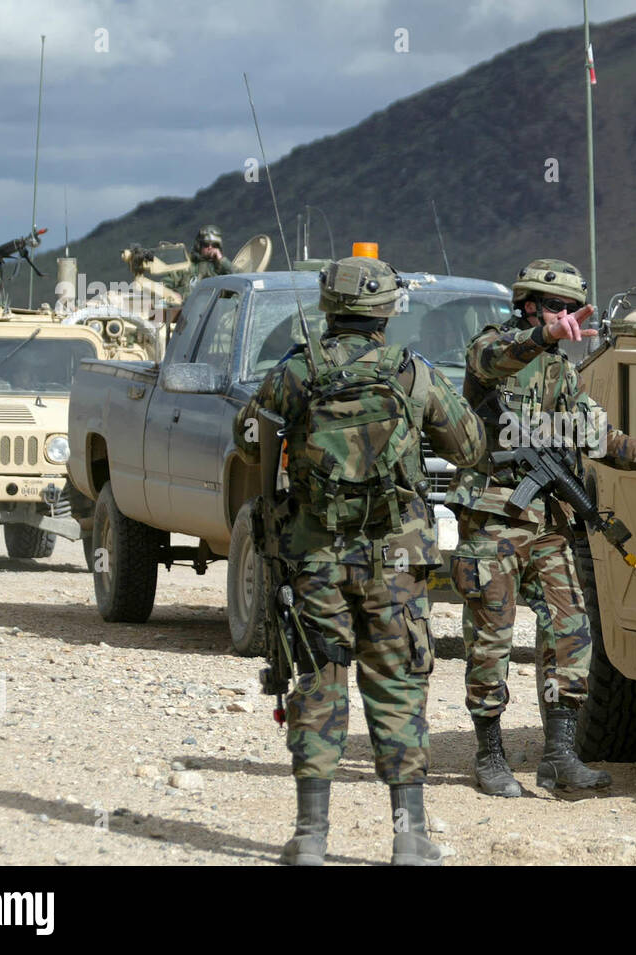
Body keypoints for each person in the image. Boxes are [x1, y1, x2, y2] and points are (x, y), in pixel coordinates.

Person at [233, 255, 483, 866]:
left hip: (314, 557)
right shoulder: (412, 373)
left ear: (328, 306)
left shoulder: (295, 372)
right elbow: (470, 446)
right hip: (397, 557)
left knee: (317, 682)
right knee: (397, 682)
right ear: (387, 312)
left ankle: (310, 837)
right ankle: (409, 836)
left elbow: (246, 441)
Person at [446, 258, 636, 798]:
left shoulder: (561, 374)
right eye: (552, 307)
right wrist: (543, 336)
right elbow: (492, 362)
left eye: (569, 309)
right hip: (494, 516)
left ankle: (560, 755)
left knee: (571, 632)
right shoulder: (491, 350)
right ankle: (490, 754)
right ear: (526, 305)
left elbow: (601, 437)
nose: (563, 317)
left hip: (546, 520)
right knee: (491, 639)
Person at [162, 225, 238, 296]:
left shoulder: (222, 268)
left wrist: (221, 260)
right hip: (187, 308)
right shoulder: (185, 266)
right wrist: (172, 296)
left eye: (215, 245)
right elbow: (162, 287)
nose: (210, 248)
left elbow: (238, 282)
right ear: (199, 246)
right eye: (206, 244)